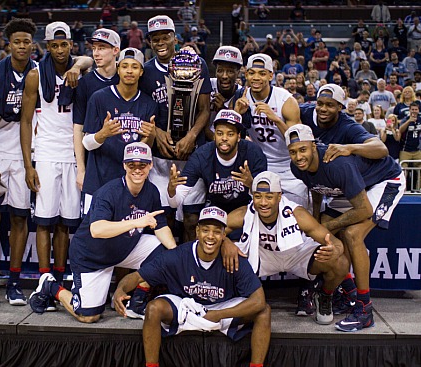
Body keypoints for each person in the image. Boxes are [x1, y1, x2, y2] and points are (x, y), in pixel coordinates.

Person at [29, 142, 177, 322]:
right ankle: (50, 286)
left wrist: (175, 255)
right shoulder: (109, 192)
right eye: (132, 165)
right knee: (88, 316)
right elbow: (97, 229)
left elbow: (160, 226)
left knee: (164, 255)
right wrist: (137, 222)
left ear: (150, 165)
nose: (137, 170)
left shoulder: (151, 191)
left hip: (123, 249)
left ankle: (137, 302)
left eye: (142, 165)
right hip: (92, 257)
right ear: (124, 165)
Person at [113, 206, 271, 367]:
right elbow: (136, 276)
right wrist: (121, 289)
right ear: (197, 231)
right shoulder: (177, 256)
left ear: (224, 235)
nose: (210, 236)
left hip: (221, 308)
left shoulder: (234, 258)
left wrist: (218, 314)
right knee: (154, 308)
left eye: (217, 231)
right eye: (205, 230)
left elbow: (258, 301)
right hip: (186, 307)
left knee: (263, 311)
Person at [285, 124, 405, 332]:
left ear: (314, 146)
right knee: (322, 227)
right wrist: (316, 218)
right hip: (357, 184)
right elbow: (316, 187)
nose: (298, 156)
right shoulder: (297, 166)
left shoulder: (335, 164)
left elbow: (364, 210)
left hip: (385, 181)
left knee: (352, 234)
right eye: (293, 152)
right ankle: (348, 292)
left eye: (302, 150)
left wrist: (327, 225)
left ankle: (364, 308)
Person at [20, 22, 93, 290]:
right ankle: (44, 279)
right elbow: (25, 122)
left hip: (74, 153)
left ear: (71, 44)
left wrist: (77, 66)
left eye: (65, 44)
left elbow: (90, 59)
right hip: (48, 153)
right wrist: (29, 164)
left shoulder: (82, 70)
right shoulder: (35, 75)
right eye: (54, 45)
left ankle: (60, 279)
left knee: (65, 222)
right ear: (47, 46)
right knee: (44, 221)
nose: (60, 50)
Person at [227, 171, 349, 324]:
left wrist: (334, 250)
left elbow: (336, 243)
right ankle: (229, 299)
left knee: (341, 263)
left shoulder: (296, 213)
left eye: (269, 197)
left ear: (279, 196)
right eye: (258, 196)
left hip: (296, 254)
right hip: (264, 256)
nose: (263, 203)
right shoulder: (245, 213)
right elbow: (211, 233)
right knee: (227, 255)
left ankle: (325, 295)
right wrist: (226, 244)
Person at [0, 18, 38, 309]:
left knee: (19, 219)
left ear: (32, 44)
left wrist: (29, 165)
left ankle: (14, 284)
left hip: (25, 151)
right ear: (9, 44)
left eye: (27, 41)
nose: (22, 46)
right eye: (17, 41)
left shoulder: (38, 72)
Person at [139, 15, 212, 242]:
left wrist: (191, 136)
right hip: (161, 159)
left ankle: (191, 270)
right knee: (165, 220)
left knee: (191, 221)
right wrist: (157, 132)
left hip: (192, 155)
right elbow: (140, 110)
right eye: (155, 39)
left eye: (165, 37)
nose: (160, 43)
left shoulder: (197, 64)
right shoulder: (145, 71)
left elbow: (205, 109)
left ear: (175, 37)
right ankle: (165, 273)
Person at [81, 48, 156, 213]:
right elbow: (86, 143)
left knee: (127, 235)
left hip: (132, 185)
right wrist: (103, 134)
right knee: (94, 234)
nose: (129, 71)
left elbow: (145, 148)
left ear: (141, 72)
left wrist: (150, 136)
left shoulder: (148, 103)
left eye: (135, 67)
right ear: (118, 68)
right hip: (99, 182)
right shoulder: (99, 98)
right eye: (125, 66)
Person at [168, 109, 267, 228]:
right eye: (220, 133)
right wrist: (172, 190)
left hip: (246, 208)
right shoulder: (202, 156)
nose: (224, 138)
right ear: (214, 136)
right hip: (215, 209)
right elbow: (175, 203)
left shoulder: (253, 152)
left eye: (230, 134)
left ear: (239, 136)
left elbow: (264, 199)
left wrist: (251, 184)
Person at [234, 53, 307, 208]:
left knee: (298, 213)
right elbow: (229, 134)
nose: (256, 78)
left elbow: (299, 143)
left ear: (270, 75)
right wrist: (237, 114)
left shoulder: (285, 100)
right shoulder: (241, 96)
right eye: (252, 73)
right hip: (259, 164)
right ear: (246, 74)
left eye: (262, 73)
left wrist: (275, 119)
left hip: (288, 165)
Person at [73, 28, 121, 193]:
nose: (96, 53)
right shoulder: (85, 83)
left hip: (123, 160)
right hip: (94, 160)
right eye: (94, 48)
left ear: (116, 50)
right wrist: (81, 170)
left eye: (101, 48)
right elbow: (78, 127)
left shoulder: (128, 78)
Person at [208, 45, 243, 136]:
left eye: (230, 71)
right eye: (220, 71)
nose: (224, 76)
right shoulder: (207, 85)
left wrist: (223, 110)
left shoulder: (242, 94)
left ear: (238, 72)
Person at [398, 101, 421, 191]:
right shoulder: (405, 119)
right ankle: (403, 191)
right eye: (412, 109)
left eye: (416, 109)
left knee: (419, 170)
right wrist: (409, 121)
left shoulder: (420, 120)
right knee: (404, 171)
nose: (414, 111)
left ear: (418, 110)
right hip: (405, 150)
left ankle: (418, 190)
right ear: (409, 110)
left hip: (417, 150)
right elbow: (400, 130)